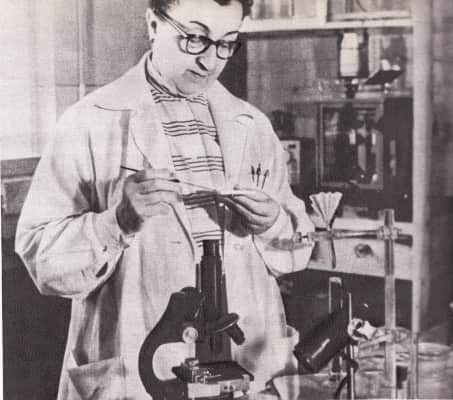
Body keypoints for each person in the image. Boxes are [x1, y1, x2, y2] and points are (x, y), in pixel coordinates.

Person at [16, 0, 314, 398]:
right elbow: (41, 258)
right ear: (154, 24)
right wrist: (116, 223)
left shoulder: (252, 125)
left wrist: (273, 222)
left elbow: (297, 248)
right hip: (140, 369)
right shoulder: (89, 122)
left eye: (226, 42)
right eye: (195, 38)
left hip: (245, 362)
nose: (210, 61)